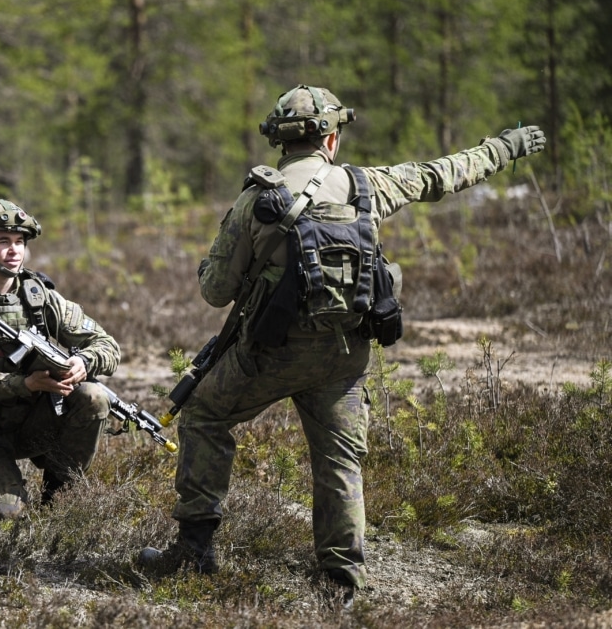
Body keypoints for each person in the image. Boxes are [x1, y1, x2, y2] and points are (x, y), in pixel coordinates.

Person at [143, 84, 546, 600]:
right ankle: (341, 578)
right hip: (344, 356)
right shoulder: (366, 186)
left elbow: (214, 291)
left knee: (203, 415)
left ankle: (194, 552)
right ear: (332, 138)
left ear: (279, 142)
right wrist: (504, 147)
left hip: (269, 352)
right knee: (339, 458)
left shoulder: (256, 200)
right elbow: (440, 175)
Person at [0, 199, 120, 518]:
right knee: (11, 516)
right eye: (3, 242)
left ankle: (59, 498)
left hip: (32, 424)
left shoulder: (38, 297)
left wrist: (84, 361)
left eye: (19, 242)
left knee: (93, 397)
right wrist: (23, 384)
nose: (15, 251)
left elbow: (107, 345)